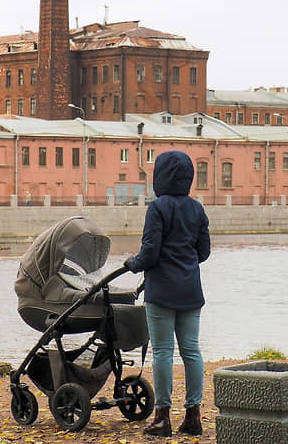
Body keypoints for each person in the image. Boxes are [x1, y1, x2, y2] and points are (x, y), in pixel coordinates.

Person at [124, 150, 210, 437]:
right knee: (191, 351)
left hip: (161, 290)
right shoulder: (197, 208)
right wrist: (184, 262)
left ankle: (162, 418)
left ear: (159, 176)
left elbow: (149, 253)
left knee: (162, 351)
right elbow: (204, 252)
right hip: (190, 290)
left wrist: (132, 264)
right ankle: (193, 416)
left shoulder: (157, 208)